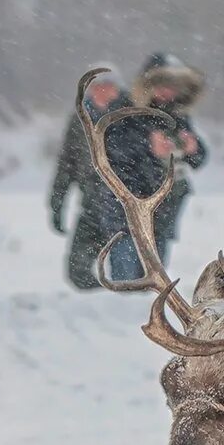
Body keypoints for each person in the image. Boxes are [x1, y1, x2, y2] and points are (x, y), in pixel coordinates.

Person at [46, 66, 161, 290]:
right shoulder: (80, 118)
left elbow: (146, 161)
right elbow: (67, 163)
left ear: (117, 89)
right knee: (77, 270)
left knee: (126, 275)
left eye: (107, 86)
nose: (101, 91)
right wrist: (57, 203)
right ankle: (101, 304)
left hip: (124, 205)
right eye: (96, 86)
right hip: (91, 203)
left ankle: (124, 309)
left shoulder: (131, 115)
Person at [132, 51, 209, 265]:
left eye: (172, 85)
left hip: (171, 195)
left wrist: (192, 149)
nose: (167, 91)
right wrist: (150, 150)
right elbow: (120, 154)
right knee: (133, 251)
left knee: (158, 252)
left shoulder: (179, 115)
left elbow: (200, 158)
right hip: (139, 194)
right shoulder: (131, 115)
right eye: (161, 84)